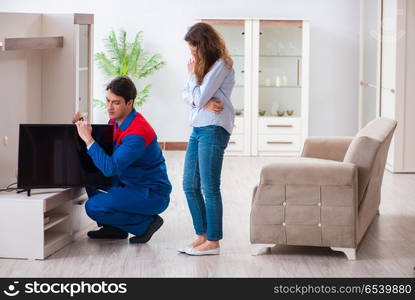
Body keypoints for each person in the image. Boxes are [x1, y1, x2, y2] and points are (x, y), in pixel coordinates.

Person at [73, 76, 171, 243]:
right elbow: (105, 151)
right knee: (90, 179)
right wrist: (82, 128)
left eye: (116, 102)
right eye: (108, 101)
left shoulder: (137, 134)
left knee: (93, 206)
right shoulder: (116, 121)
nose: (110, 107)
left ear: (129, 103)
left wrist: (88, 139)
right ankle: (114, 228)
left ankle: (146, 224)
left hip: (150, 193)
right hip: (128, 183)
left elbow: (110, 168)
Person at [180, 22, 235, 255]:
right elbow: (187, 95)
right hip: (198, 127)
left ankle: (213, 241)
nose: (192, 54)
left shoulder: (221, 64)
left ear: (205, 44)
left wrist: (194, 80)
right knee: (189, 185)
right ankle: (202, 235)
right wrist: (199, 98)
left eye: (195, 49)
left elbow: (198, 96)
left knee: (209, 186)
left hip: (214, 128)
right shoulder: (203, 65)